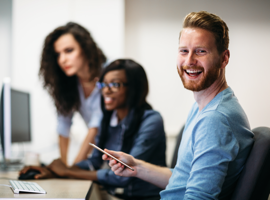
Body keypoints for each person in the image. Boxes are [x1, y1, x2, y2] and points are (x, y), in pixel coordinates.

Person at [103, 11, 254, 200]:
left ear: (224, 58)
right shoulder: (204, 107)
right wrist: (136, 166)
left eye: (201, 51)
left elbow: (198, 197)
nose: (189, 60)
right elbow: (184, 180)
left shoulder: (215, 119)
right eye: (184, 51)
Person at [21, 59, 167, 200]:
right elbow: (94, 162)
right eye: (103, 84)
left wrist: (67, 171)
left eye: (114, 84)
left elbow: (124, 175)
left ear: (135, 87)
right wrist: (54, 171)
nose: (106, 91)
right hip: (116, 195)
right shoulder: (108, 118)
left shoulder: (151, 121)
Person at [39, 22, 107, 165]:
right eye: (58, 54)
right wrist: (63, 164)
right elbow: (63, 125)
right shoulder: (70, 84)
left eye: (69, 50)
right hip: (105, 155)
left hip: (130, 153)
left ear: (85, 49)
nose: (62, 59)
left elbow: (96, 127)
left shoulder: (109, 74)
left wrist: (71, 170)